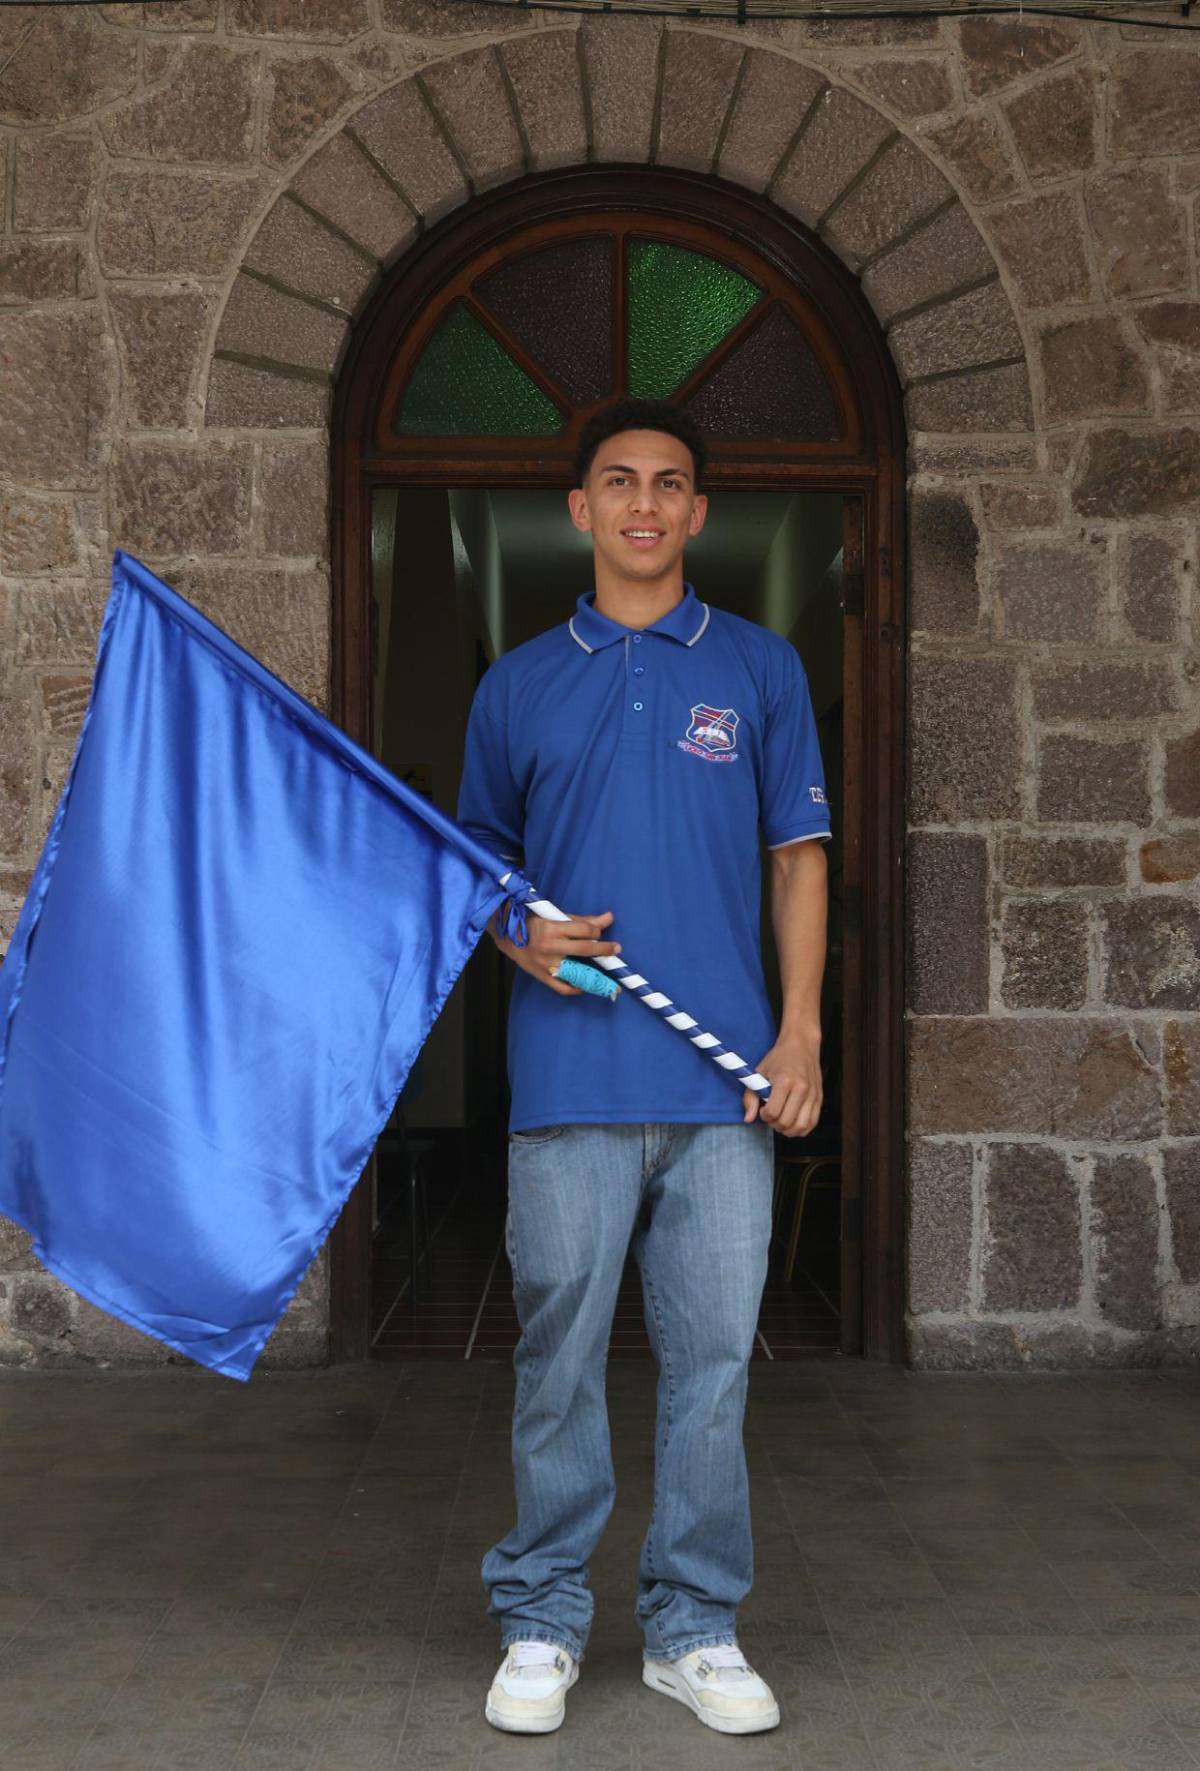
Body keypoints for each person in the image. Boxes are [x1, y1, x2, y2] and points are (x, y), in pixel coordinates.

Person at [456, 396, 831, 1737]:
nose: (645, 506)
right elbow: (478, 876)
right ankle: (545, 1618)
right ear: (580, 508)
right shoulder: (517, 684)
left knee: (714, 1361)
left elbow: (799, 861)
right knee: (557, 1355)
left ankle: (693, 1626)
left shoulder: (760, 669)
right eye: (619, 482)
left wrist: (801, 1032)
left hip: (724, 1085)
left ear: (699, 512)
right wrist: (522, 935)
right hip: (568, 1085)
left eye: (671, 485)